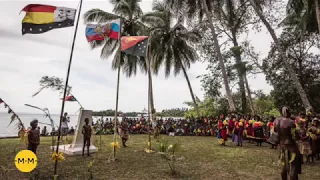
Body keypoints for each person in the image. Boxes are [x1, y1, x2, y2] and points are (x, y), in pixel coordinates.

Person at [274, 106, 301, 180]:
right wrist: (299, 134)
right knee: (294, 166)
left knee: (284, 166)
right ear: (288, 112)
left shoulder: (276, 121)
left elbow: (275, 133)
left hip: (282, 146)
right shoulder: (290, 122)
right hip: (291, 146)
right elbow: (295, 136)